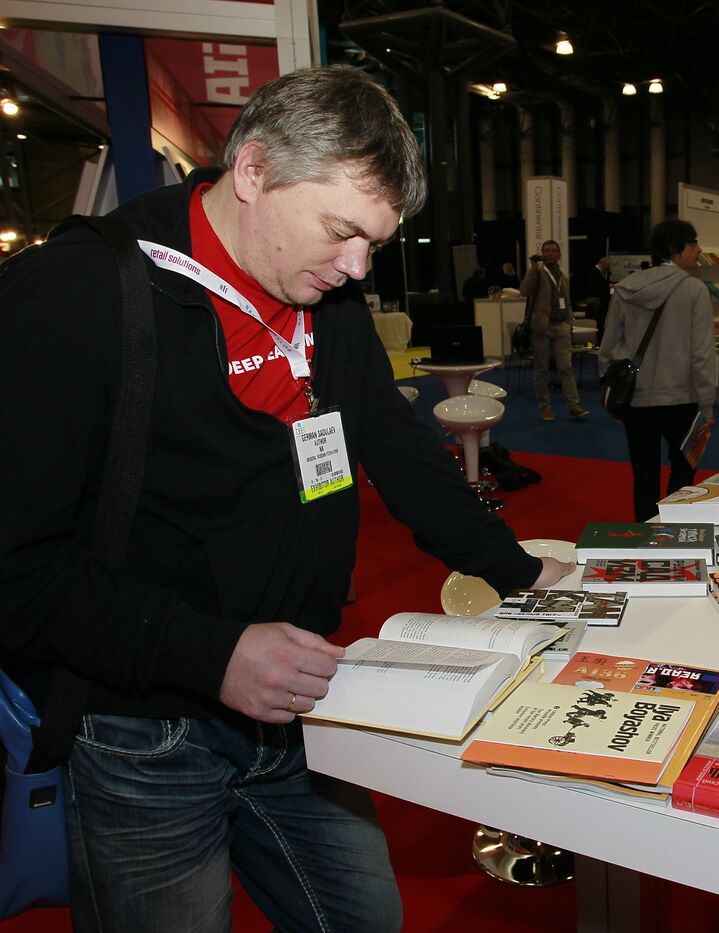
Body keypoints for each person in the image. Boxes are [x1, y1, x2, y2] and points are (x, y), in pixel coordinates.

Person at [0, 66, 572, 931]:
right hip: (144, 729)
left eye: (374, 244)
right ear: (255, 169)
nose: (355, 268)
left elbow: (396, 448)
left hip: (302, 703)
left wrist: (523, 572)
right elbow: (17, 569)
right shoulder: (77, 297)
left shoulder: (322, 299)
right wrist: (212, 654)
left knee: (366, 917)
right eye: (343, 232)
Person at [599, 219, 717, 522]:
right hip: (682, 399)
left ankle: (646, 533)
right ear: (675, 248)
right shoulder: (695, 291)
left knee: (643, 473)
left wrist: (611, 392)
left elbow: (609, 347)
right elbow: (702, 355)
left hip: (636, 399)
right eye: (693, 243)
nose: (699, 250)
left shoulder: (626, 288)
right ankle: (675, 528)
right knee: (684, 468)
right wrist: (707, 404)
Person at [523, 239, 588, 420]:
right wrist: (533, 268)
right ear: (542, 254)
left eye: (553, 251)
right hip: (542, 327)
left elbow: (566, 303)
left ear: (559, 255)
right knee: (541, 368)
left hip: (561, 326)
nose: (550, 254)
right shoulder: (537, 273)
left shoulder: (563, 278)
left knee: (566, 367)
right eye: (546, 251)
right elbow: (524, 290)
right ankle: (545, 407)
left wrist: (569, 323)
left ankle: (573, 405)